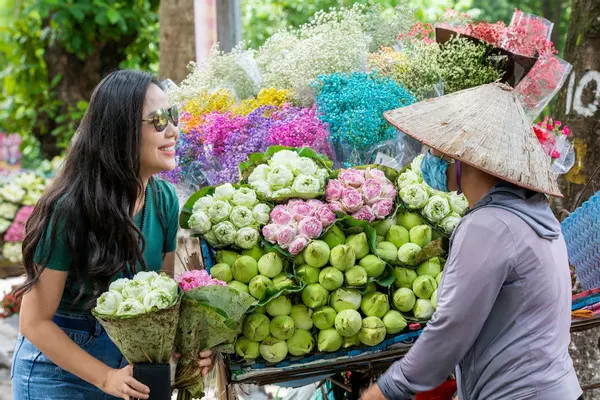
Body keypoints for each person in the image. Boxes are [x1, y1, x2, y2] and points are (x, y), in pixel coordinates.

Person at [361, 83, 582, 400]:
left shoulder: (489, 225)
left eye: (440, 151)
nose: (433, 158)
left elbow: (451, 328)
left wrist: (390, 388)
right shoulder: (534, 214)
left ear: (465, 157)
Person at [11, 70, 212, 400]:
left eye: (173, 116)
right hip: (58, 375)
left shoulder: (162, 201)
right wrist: (105, 378)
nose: (174, 130)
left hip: (127, 372)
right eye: (159, 120)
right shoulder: (68, 209)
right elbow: (34, 323)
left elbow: (158, 309)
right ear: (121, 131)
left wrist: (189, 348)